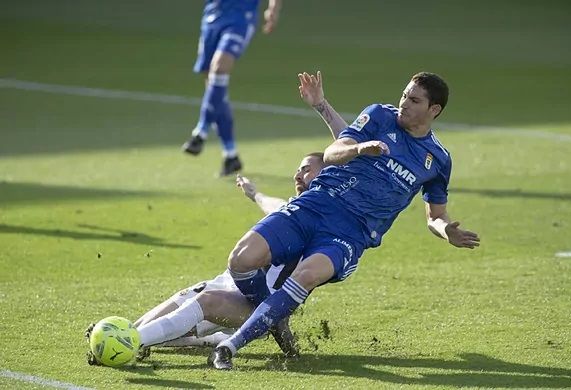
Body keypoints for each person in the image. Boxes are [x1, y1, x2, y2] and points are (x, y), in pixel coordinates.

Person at [208, 71, 481, 370]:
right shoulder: (378, 115)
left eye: (414, 100)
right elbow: (333, 151)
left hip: (351, 233)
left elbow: (436, 215)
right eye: (404, 95)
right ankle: (274, 318)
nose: (404, 103)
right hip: (316, 205)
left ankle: (230, 346)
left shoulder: (438, 159)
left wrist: (446, 231)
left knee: (307, 275)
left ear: (434, 110)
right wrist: (359, 148)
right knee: (241, 259)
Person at [86, 71, 343, 365]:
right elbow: (276, 206)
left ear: (328, 174)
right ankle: (138, 336)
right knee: (178, 305)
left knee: (202, 305)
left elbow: (301, 278)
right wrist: (255, 194)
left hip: (254, 304)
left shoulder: (320, 227)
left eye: (307, 169)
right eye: (298, 168)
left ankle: (126, 343)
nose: (298, 174)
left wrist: (279, 321)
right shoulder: (294, 213)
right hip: (227, 284)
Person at [181, 0, 283, 176]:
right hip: (211, 18)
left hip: (240, 18)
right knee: (215, 91)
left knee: (219, 69)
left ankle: (200, 132)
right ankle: (231, 155)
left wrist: (273, 8)